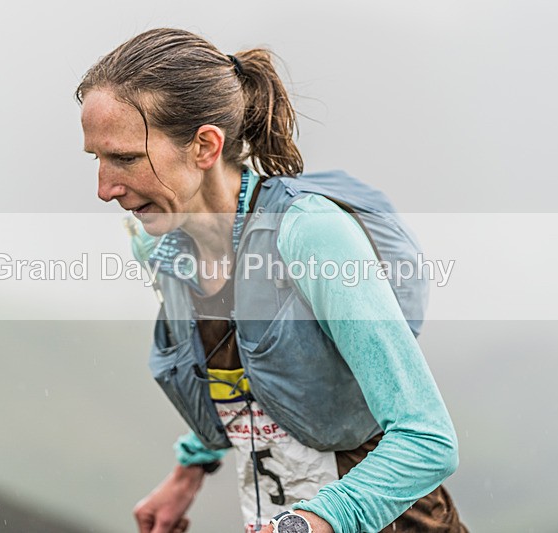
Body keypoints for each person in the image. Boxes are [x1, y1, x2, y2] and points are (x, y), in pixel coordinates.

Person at [76, 28, 467, 533]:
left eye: (125, 158)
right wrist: (188, 471)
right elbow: (246, 381)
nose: (105, 189)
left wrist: (317, 521)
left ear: (204, 146)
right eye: (97, 159)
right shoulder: (160, 243)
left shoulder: (310, 235)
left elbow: (428, 440)